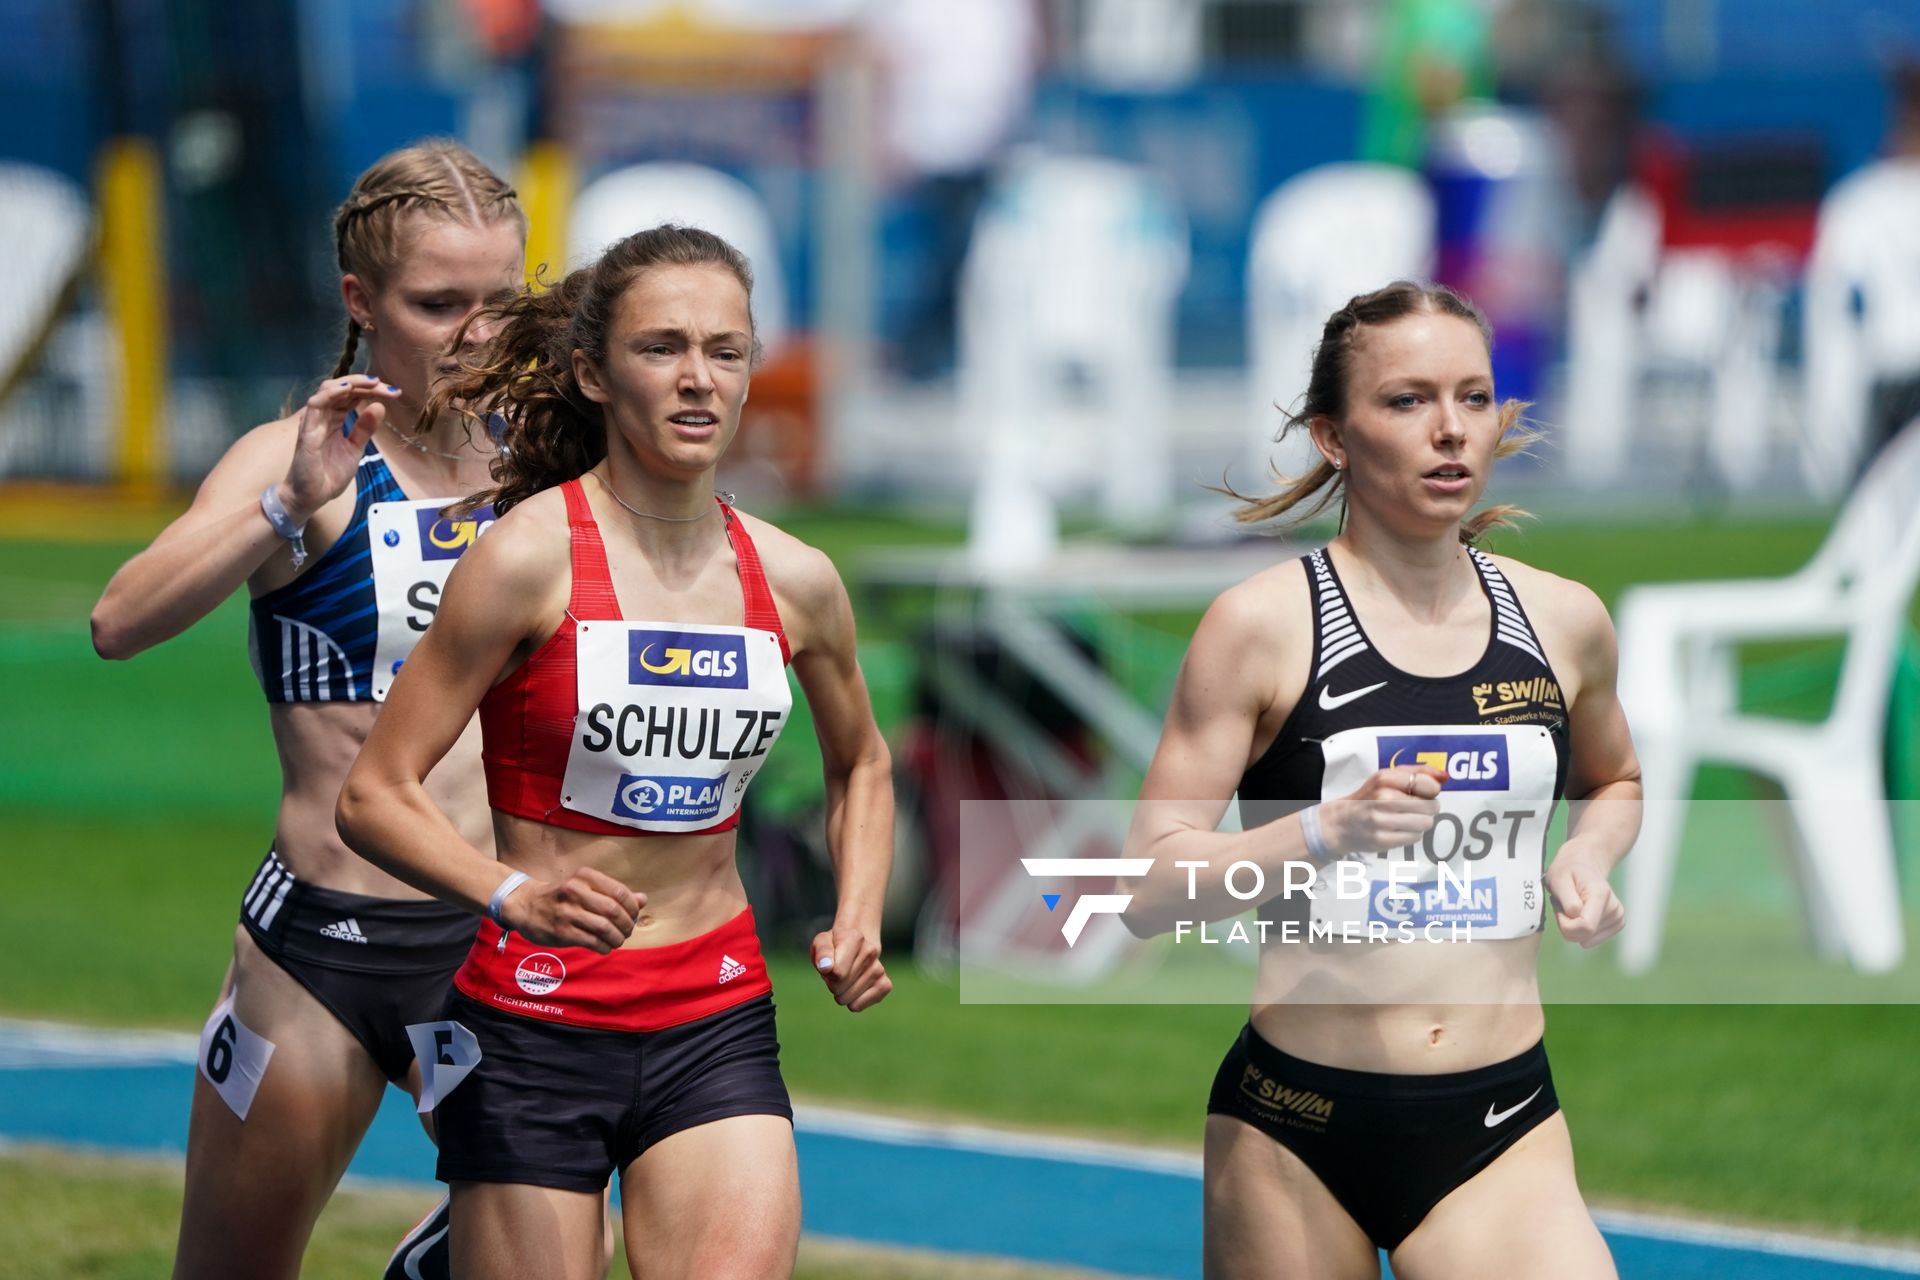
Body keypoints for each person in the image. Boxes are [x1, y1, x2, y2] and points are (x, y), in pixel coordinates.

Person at [335, 223, 895, 1280]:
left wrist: (858, 908)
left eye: (726, 350)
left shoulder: (797, 577)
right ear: (593, 372)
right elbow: (373, 794)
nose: (698, 379)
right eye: (662, 348)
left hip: (714, 1007)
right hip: (536, 1020)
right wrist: (511, 893)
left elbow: (861, 762)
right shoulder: (524, 559)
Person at [1120, 281, 1641, 1278]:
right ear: (1333, 434)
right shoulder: (1260, 625)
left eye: (1475, 396)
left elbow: (1616, 778)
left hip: (1501, 1123)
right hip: (1294, 1130)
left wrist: (1588, 852)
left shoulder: (1565, 619)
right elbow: (1145, 889)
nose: (1450, 429)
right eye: (1407, 400)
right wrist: (1321, 833)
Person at [90, 139, 526, 1280]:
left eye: (503, 301)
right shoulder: (297, 464)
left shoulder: (551, 475)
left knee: (543, 1249)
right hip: (319, 948)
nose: (478, 334)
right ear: (362, 302)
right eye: (440, 304)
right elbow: (119, 619)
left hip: (488, 937)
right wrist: (288, 503)